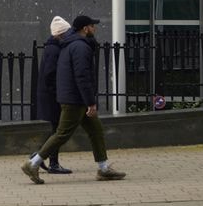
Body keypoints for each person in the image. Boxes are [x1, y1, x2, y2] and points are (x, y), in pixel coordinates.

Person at [21, 14, 126, 183]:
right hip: (75, 100)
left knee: (96, 130)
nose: (95, 28)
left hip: (74, 97)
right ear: (85, 28)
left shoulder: (70, 45)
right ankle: (33, 163)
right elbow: (82, 76)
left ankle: (103, 168)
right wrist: (90, 102)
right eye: (92, 26)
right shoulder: (80, 47)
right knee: (62, 134)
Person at [33, 16, 72, 174]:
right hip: (53, 96)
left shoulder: (53, 47)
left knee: (57, 129)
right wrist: (58, 92)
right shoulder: (54, 49)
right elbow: (50, 75)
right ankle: (49, 161)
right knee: (58, 130)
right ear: (61, 33)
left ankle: (40, 157)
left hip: (51, 95)